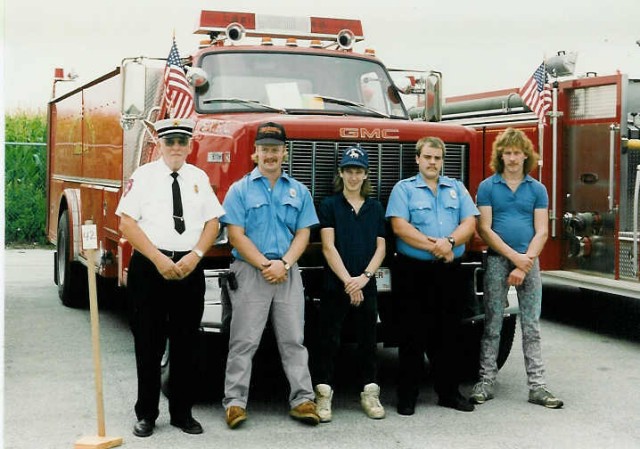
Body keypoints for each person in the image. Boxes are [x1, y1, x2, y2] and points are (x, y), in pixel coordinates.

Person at [116, 117, 225, 437]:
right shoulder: (144, 176)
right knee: (148, 343)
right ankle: (147, 414)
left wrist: (195, 256)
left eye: (182, 142)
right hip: (150, 268)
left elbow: (213, 223)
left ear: (190, 146)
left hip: (189, 268)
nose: (176, 147)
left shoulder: (198, 177)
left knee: (186, 343)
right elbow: (127, 223)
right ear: (159, 145)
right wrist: (158, 258)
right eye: (170, 142)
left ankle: (182, 412)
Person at [220, 121, 320, 429]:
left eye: (275, 150)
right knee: (244, 340)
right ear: (255, 154)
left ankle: (303, 399)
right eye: (264, 150)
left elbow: (304, 233)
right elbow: (235, 234)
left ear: (285, 153)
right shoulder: (239, 190)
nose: (270, 155)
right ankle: (235, 403)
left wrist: (285, 264)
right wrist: (266, 264)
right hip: (251, 271)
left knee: (293, 339)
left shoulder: (298, 190)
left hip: (287, 272)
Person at [469, 127, 563, 408]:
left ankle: (538, 386)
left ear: (526, 156)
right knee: (493, 323)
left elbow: (542, 231)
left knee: (531, 325)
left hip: (529, 262)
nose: (512, 158)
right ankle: (485, 381)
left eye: (517, 153)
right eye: (507, 153)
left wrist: (524, 263)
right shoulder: (488, 187)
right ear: (500, 155)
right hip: (497, 261)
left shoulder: (537, 189)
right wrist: (513, 257)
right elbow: (484, 229)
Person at [385, 136, 478, 415]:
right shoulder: (404, 189)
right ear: (417, 159)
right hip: (413, 271)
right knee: (411, 333)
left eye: (437, 158)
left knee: (449, 334)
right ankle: (407, 396)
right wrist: (438, 246)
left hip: (449, 271)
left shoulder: (456, 188)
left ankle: (449, 393)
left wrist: (448, 243)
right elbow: (400, 227)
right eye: (427, 157)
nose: (432, 162)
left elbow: (470, 223)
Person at [313, 146, 387, 422]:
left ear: (366, 174)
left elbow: (380, 248)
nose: (353, 176)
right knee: (329, 339)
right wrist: (348, 281)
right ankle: (323, 395)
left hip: (365, 283)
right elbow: (328, 248)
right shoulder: (329, 205)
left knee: (369, 340)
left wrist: (364, 279)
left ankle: (370, 393)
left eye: (358, 171)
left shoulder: (376, 207)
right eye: (348, 171)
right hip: (337, 284)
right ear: (341, 173)